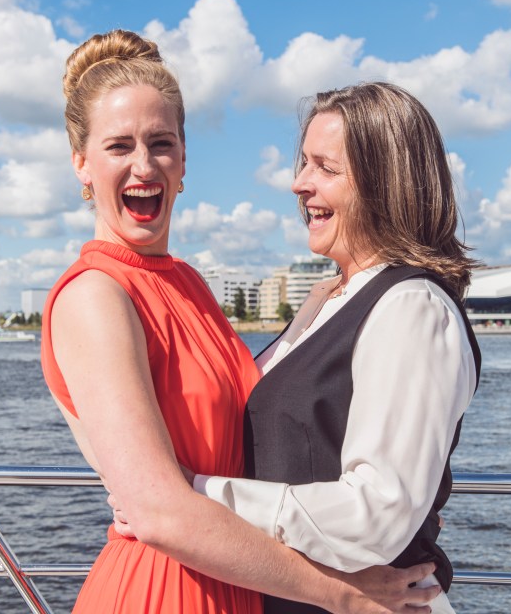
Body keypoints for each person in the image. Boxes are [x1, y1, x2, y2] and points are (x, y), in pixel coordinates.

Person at [40, 30, 440, 613]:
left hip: (243, 581)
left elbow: (226, 399)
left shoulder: (186, 282)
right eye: (118, 147)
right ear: (81, 163)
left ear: (183, 161)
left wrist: (316, 315)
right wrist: (344, 596)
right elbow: (158, 513)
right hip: (165, 591)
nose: (144, 165)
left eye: (161, 143)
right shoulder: (95, 296)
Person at [144, 82, 482, 614]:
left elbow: (377, 510)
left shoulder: (412, 308)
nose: (299, 183)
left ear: (383, 184)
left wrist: (197, 496)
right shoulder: (332, 296)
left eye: (325, 168)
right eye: (304, 164)